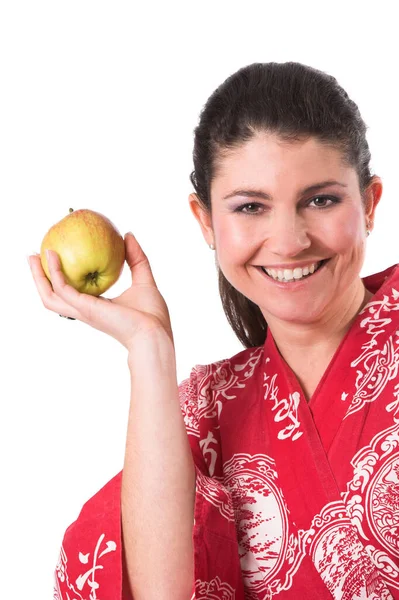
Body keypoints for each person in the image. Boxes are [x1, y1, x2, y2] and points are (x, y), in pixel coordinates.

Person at [27, 60, 399, 599]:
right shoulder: (206, 408)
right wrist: (148, 352)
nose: (289, 240)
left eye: (320, 200)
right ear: (206, 222)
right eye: (251, 207)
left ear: (368, 204)